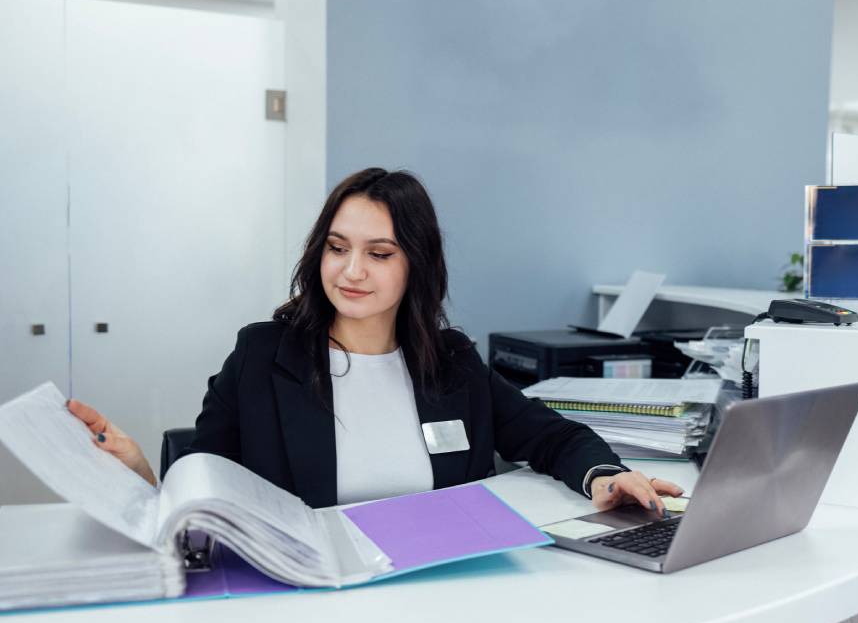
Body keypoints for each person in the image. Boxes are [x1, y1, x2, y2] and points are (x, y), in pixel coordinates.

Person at [67, 168, 682, 514]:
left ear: (416, 264)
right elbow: (204, 481)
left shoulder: (451, 361)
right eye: (337, 248)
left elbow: (552, 436)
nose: (352, 271)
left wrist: (605, 476)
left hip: (440, 591)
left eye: (379, 253)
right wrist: (143, 476)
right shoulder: (262, 355)